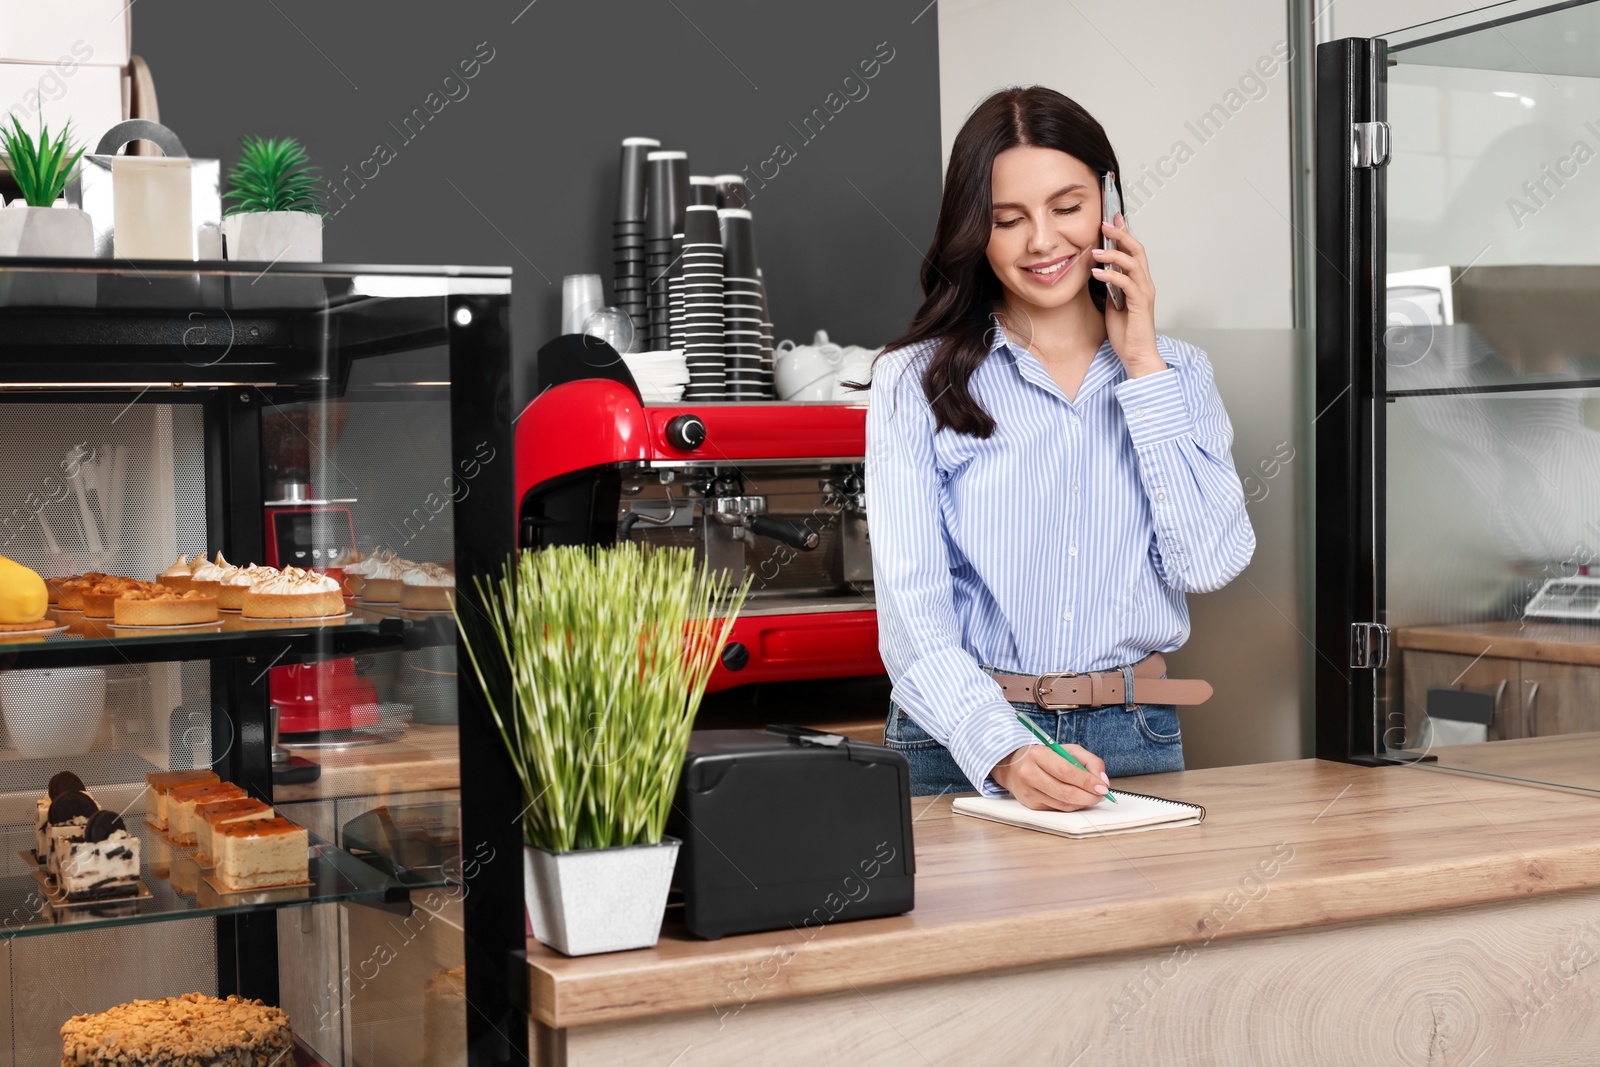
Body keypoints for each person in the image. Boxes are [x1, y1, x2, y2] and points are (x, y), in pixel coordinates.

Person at [866, 86, 1255, 811]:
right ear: (975, 231)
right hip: (961, 739)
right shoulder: (910, 382)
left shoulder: (1179, 374)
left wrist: (1141, 366)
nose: (1041, 241)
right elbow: (913, 615)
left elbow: (1208, 562)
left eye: (1066, 207)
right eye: (1007, 220)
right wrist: (1005, 749)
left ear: (1110, 203)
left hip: (1133, 733)